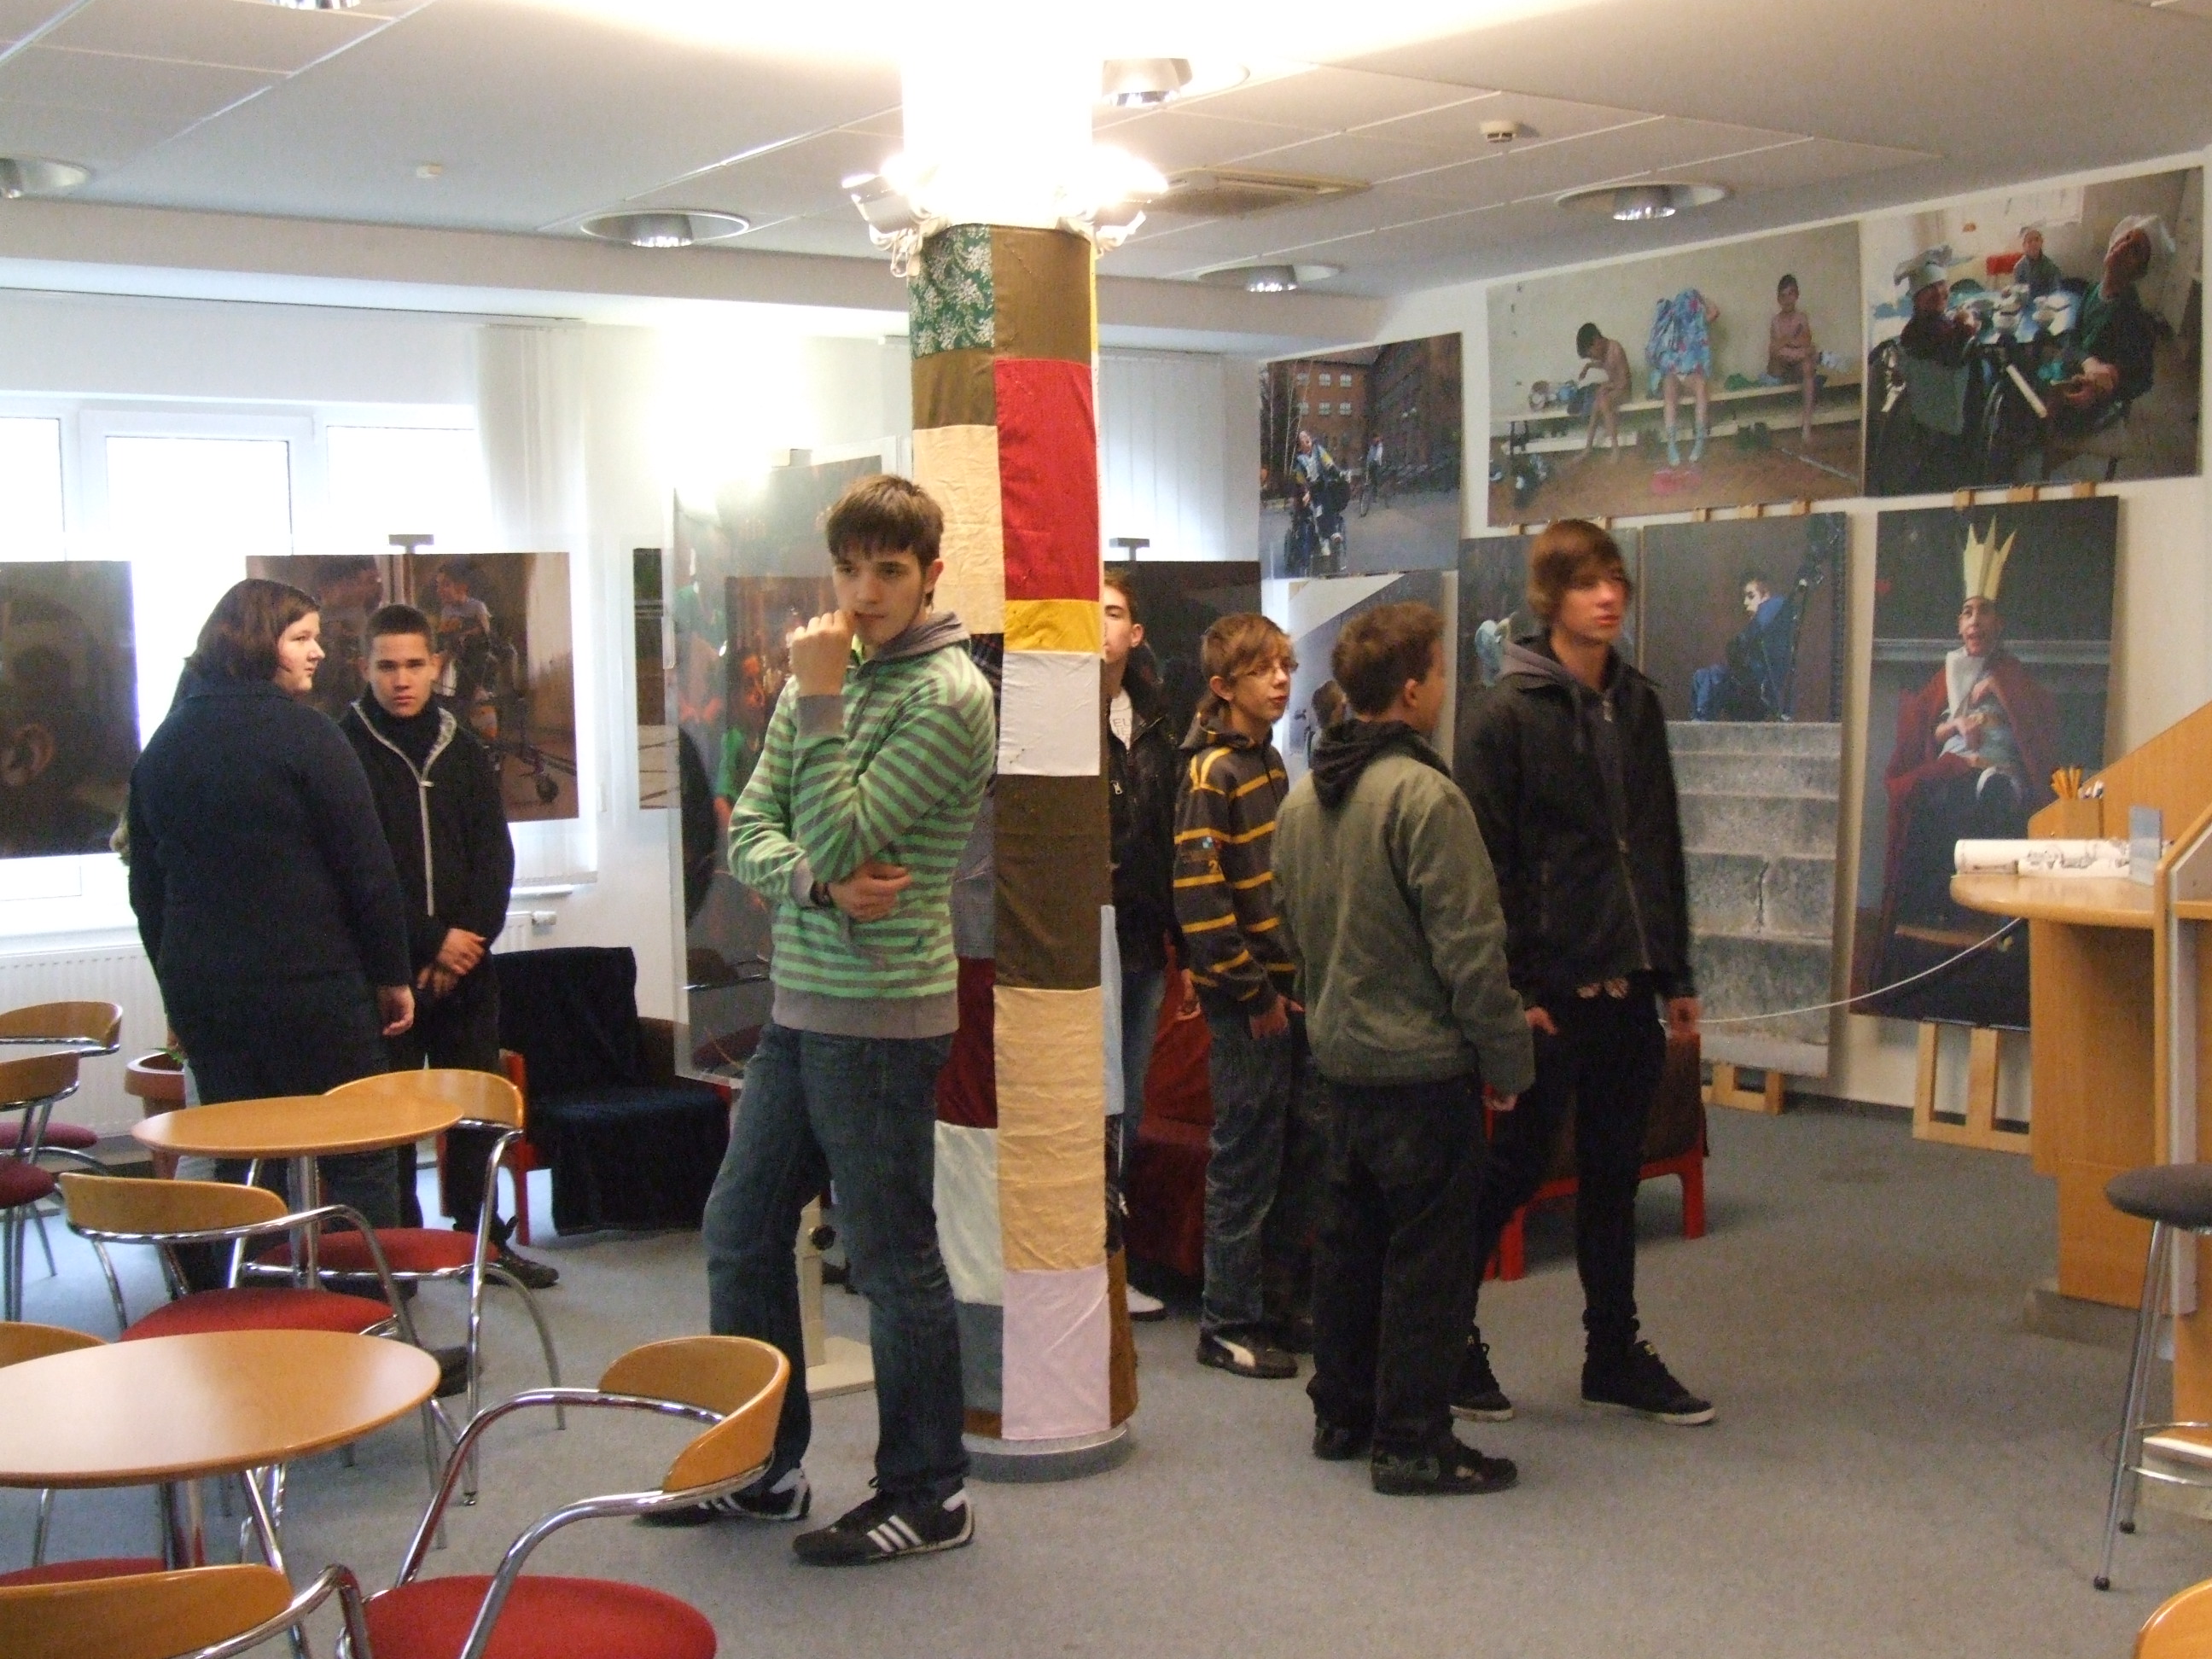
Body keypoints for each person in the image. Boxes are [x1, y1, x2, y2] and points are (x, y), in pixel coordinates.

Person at [692, 474, 995, 1566]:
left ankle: (929, 1492)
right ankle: (764, 1468)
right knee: (740, 1228)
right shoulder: (830, 672)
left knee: (890, 1257)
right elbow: (753, 835)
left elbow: (836, 823)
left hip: (883, 1017)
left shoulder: (949, 694)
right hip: (801, 1001)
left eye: (890, 571)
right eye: (850, 569)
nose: (864, 593)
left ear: (931, 575)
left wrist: (818, 703)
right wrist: (818, 885)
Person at [1453, 521, 1713, 1428]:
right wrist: (1512, 992)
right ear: (1549, 598)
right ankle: (1446, 1337)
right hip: (1547, 991)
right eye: (1587, 583)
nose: (1607, 598)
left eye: (1616, 582)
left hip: (1627, 980)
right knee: (1514, 1168)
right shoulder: (1503, 713)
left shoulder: (1636, 704)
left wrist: (1675, 971)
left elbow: (1658, 841)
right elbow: (1485, 864)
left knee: (1614, 1173)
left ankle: (1613, 1353)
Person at [1275, 602, 1534, 1497]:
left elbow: (1291, 931)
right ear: (1416, 689)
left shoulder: (1303, 799)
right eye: (1442, 672)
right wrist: (1507, 1061)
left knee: (1349, 1247)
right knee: (1429, 1259)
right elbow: (1471, 950)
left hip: (1339, 1060)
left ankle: (1343, 1414)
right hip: (1422, 1071)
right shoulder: (1426, 798)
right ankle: (1415, 1440)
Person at [125, 579, 416, 1280]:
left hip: (207, 991)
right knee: (359, 1149)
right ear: (258, 644)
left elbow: (148, 891)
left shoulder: (165, 744)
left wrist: (175, 989)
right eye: (301, 638)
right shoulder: (309, 736)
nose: (318, 652)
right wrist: (392, 974)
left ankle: (252, 1309)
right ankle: (364, 1310)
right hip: (312, 986)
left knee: (241, 1154)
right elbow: (367, 870)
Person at [338, 603, 555, 1292]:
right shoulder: (342, 749)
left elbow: (494, 857)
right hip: (387, 973)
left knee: (475, 1113)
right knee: (392, 1118)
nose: (401, 680)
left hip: (468, 971)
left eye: (414, 664)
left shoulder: (463, 746)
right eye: (387, 666)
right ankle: (399, 1248)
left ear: (436, 665)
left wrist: (466, 945)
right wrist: (430, 941)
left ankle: (480, 1242)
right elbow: (354, 872)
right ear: (365, 667)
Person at [1175, 613, 1322, 1380]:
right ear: (1223, 686)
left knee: (1297, 1152)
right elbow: (1202, 902)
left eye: (1285, 666)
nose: (1281, 680)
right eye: (1263, 670)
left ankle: (1277, 1303)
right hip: (1247, 1003)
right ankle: (1227, 1322)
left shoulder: (1268, 762)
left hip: (1288, 992)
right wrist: (1254, 991)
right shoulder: (1211, 774)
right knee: (1244, 1163)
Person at [1869, 521, 2058, 1027]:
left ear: (1998, 624)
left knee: (1994, 795)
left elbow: (2035, 726)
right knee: (1935, 793)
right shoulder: (1946, 673)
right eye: (1968, 612)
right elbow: (1925, 732)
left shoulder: (2010, 674)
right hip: (1955, 767)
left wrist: (1999, 692)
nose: (1976, 621)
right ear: (1959, 625)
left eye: (1985, 611)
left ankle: (1997, 915)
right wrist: (1953, 727)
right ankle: (1938, 906)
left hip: (2002, 770)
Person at [1102, 567, 1175, 1324]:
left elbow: (1170, 829)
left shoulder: (1155, 717)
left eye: (1115, 611)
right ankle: (1086, 1265)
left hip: (1144, 935)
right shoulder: (1055, 711)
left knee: (1128, 1102)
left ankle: (1114, 1263)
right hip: (1079, 942)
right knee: (1087, 1105)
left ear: (1136, 632)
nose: (1102, 623)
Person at [2054, 216, 2167, 431]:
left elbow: (2143, 378)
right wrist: (2089, 362)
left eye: (2135, 251)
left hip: (2093, 406)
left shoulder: (2131, 313)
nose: (2122, 247)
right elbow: (2072, 339)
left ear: (2140, 271)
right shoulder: (2092, 290)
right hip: (2070, 374)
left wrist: (2108, 381)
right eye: (2126, 238)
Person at [1690, 571, 1796, 722]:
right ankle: (1701, 721)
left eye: (1751, 596)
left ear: (1765, 595)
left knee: (1712, 676)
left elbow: (1754, 629)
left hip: (1762, 693)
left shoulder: (1774, 605)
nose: (1745, 602)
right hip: (1750, 690)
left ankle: (1700, 723)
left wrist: (1737, 644)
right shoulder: (1766, 621)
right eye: (1744, 597)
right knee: (1701, 677)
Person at [1647, 289, 1719, 467]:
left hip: (1691, 374)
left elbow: (1715, 312)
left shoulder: (1697, 322)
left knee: (1701, 386)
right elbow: (1654, 347)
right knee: (1669, 392)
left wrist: (1701, 297)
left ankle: (1699, 440)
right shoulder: (1668, 323)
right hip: (1672, 373)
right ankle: (1671, 444)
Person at [1767, 274, 1818, 444]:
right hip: (1780, 366)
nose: (1787, 299)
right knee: (1791, 353)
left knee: (1808, 365)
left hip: (1797, 363)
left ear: (1797, 295)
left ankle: (1806, 425)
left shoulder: (1801, 317)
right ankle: (1811, 356)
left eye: (1791, 294)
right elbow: (1775, 349)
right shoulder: (1776, 321)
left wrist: (1788, 341)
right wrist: (1794, 344)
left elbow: (1806, 341)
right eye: (1783, 296)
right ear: (1778, 299)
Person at [1574, 322, 1631, 457]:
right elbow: (1603, 364)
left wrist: (1606, 386)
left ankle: (1615, 449)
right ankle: (1588, 447)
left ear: (1596, 341)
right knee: (1596, 404)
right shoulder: (1602, 353)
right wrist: (1587, 367)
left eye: (1592, 355)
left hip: (1624, 390)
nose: (1593, 358)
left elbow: (1624, 382)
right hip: (1614, 388)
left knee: (1603, 402)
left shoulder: (1616, 350)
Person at [2014, 226, 2063, 300]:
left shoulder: (2050, 265)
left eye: (2037, 239)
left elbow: (2055, 289)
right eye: (2029, 241)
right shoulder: (2019, 267)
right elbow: (2018, 290)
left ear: (2041, 242)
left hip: (2046, 301)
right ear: (2024, 245)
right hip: (2027, 301)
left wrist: (2048, 299)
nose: (2034, 243)